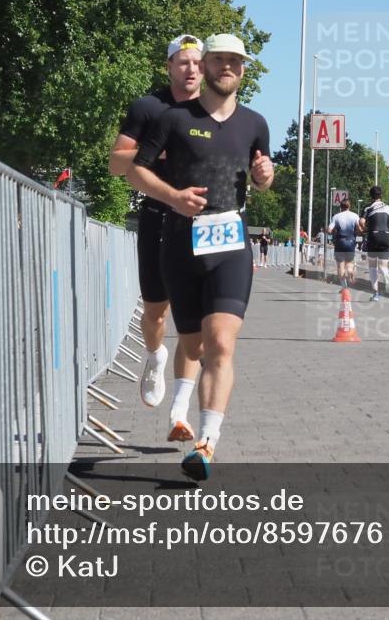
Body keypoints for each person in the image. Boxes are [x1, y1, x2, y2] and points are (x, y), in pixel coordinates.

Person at [128, 33, 273, 480]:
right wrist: (172, 197)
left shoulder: (255, 123)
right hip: (180, 243)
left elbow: (259, 177)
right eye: (219, 60)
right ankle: (180, 405)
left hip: (230, 244)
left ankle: (206, 445)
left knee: (221, 345)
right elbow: (135, 170)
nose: (226, 67)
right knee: (192, 345)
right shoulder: (172, 118)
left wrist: (265, 176)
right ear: (205, 65)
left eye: (236, 61)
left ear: (242, 70)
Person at [110, 34, 205, 422]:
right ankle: (155, 356)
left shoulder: (213, 111)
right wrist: (159, 151)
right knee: (156, 313)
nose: (191, 69)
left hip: (201, 224)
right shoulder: (148, 108)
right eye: (183, 62)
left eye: (198, 62)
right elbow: (117, 164)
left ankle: (181, 406)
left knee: (193, 320)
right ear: (168, 67)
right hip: (157, 217)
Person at [357, 185, 389, 301]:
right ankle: (386, 273)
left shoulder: (367, 208)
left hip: (373, 236)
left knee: (372, 266)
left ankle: (376, 293)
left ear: (371, 196)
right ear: (381, 195)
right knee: (383, 265)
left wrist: (364, 229)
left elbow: (361, 221)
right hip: (385, 236)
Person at [327, 199, 360, 289]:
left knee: (340, 266)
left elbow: (329, 230)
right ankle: (350, 271)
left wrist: (333, 233)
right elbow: (359, 229)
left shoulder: (336, 217)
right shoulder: (355, 216)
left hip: (340, 242)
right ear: (349, 206)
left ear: (341, 207)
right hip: (351, 242)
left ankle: (344, 287)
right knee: (349, 264)